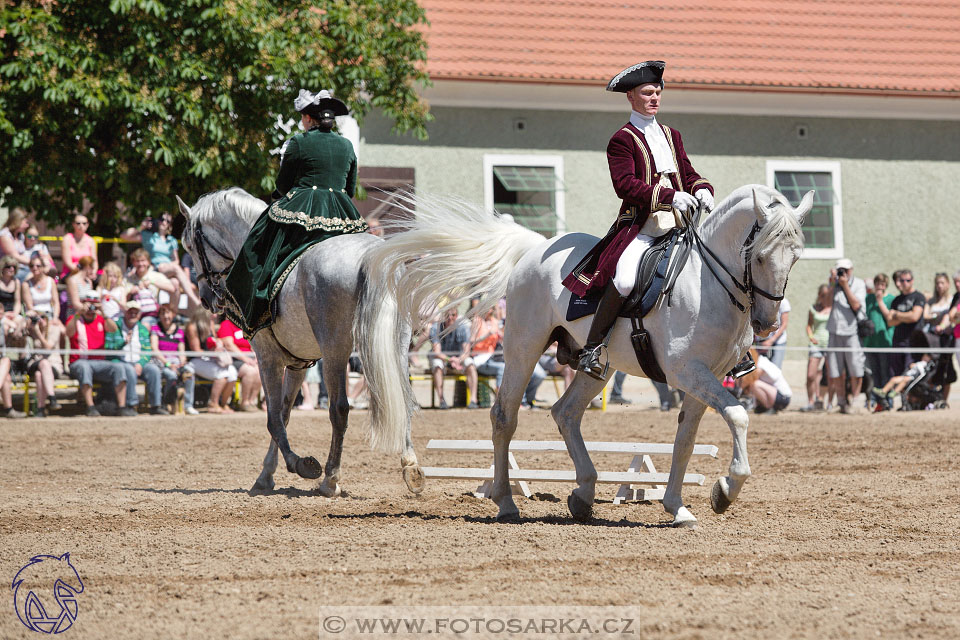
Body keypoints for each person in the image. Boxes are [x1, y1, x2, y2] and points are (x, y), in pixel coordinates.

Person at [561, 61, 714, 379]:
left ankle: (731, 349)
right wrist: (670, 196)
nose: (654, 97)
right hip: (643, 227)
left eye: (658, 92)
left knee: (714, 269)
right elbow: (625, 185)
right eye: (647, 92)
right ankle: (593, 348)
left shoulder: (672, 136)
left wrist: (702, 189)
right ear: (631, 97)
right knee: (627, 277)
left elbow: (687, 173)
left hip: (680, 226)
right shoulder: (622, 140)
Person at [222, 88, 367, 337]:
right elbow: (350, 189)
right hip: (342, 210)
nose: (302, 121)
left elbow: (282, 186)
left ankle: (259, 305)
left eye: (302, 117)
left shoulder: (298, 143)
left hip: (303, 204)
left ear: (309, 119)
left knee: (259, 243)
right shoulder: (346, 146)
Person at [66, 290, 138, 417]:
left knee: (119, 367)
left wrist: (103, 312)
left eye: (94, 304)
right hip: (78, 362)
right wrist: (79, 313)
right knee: (84, 367)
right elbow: (68, 332)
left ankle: (121, 407)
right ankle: (90, 407)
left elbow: (113, 329)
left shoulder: (101, 319)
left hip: (99, 362)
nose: (91, 308)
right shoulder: (75, 319)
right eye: (89, 304)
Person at [121, 213, 201, 310]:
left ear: (170, 225)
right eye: (162, 219)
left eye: (168, 221)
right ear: (157, 221)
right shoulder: (149, 236)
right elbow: (124, 236)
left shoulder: (172, 240)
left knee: (175, 282)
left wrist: (167, 265)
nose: (164, 222)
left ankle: (173, 313)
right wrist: (141, 226)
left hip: (168, 270)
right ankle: (195, 300)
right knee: (175, 270)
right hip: (153, 269)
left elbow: (176, 261)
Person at [825, 258, 867, 414]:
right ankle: (841, 401)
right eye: (840, 270)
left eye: (845, 270)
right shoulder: (834, 285)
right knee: (835, 370)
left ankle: (856, 401)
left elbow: (856, 304)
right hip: (834, 330)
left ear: (851, 270)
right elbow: (827, 304)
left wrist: (845, 286)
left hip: (852, 331)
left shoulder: (859, 284)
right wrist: (831, 284)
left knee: (856, 367)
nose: (843, 273)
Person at [874, 268, 925, 383]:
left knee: (911, 376)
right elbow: (891, 322)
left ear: (912, 281)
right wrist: (906, 316)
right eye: (901, 280)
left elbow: (914, 317)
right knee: (896, 374)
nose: (903, 283)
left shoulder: (918, 297)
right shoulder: (897, 300)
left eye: (907, 280)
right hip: (898, 342)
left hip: (913, 343)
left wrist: (897, 314)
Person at [185, 308, 237, 414]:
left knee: (232, 373)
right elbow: (196, 351)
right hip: (194, 360)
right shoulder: (192, 326)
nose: (215, 315)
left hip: (208, 358)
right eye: (212, 313)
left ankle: (223, 404)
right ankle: (213, 403)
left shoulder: (210, 325)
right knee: (222, 374)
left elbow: (212, 343)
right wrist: (213, 352)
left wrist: (218, 346)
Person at [149, 303, 197, 415]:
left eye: (168, 313)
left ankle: (187, 405)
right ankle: (167, 403)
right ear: (159, 316)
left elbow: (181, 351)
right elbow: (155, 349)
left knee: (189, 374)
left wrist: (182, 362)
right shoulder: (155, 328)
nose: (166, 316)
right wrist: (168, 364)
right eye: (163, 313)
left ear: (173, 315)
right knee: (171, 376)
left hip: (176, 362)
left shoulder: (179, 331)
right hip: (161, 362)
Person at [428, 308, 476, 409]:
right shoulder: (435, 328)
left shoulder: (463, 327)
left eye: (453, 315)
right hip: (442, 358)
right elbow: (437, 352)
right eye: (447, 315)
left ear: (456, 315)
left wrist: (458, 360)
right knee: (437, 365)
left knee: (470, 364)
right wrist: (450, 360)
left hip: (458, 359)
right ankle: (441, 400)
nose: (450, 318)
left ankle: (473, 400)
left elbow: (466, 351)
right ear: (443, 316)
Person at [23, 310, 63, 417]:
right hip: (34, 363)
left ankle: (40, 409)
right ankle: (52, 397)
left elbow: (48, 348)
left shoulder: (54, 329)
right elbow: (18, 337)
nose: (40, 320)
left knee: (39, 375)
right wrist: (26, 322)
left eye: (43, 317)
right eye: (38, 318)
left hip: (53, 365)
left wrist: (39, 334)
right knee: (43, 363)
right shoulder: (31, 329)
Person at [217, 315, 262, 410]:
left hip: (249, 359)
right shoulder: (226, 324)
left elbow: (252, 343)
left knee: (260, 371)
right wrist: (246, 359)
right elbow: (229, 345)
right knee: (250, 372)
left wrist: (256, 356)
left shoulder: (244, 326)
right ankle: (244, 402)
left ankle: (251, 401)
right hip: (234, 359)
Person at [801, 284, 832, 411]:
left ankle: (827, 402)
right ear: (819, 295)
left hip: (830, 344)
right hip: (816, 344)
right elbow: (809, 325)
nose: (825, 298)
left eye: (828, 295)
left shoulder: (834, 309)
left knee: (830, 375)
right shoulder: (813, 309)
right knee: (810, 374)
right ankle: (811, 401)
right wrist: (810, 336)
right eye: (823, 295)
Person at [126, 247, 176, 327]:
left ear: (148, 262)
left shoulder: (155, 275)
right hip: (133, 312)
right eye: (137, 261)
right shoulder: (128, 278)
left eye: (143, 261)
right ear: (133, 263)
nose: (140, 264)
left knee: (145, 324)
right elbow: (122, 297)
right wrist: (130, 292)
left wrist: (152, 282)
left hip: (151, 313)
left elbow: (172, 288)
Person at [863, 274, 896, 391]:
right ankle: (876, 400)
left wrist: (880, 301)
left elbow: (889, 318)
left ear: (886, 286)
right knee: (874, 373)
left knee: (885, 372)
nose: (879, 287)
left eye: (882, 284)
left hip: (885, 341)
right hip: (871, 342)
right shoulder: (868, 298)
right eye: (877, 284)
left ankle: (887, 399)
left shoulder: (891, 299)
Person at [739, 349, 792, 414]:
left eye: (744, 358)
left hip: (783, 397)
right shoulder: (759, 362)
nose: (743, 360)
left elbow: (747, 382)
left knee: (754, 384)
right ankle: (765, 407)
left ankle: (769, 408)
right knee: (754, 385)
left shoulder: (761, 363)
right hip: (776, 395)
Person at [756, 297, 791, 369]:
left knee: (775, 369)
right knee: (760, 368)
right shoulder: (762, 301)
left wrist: (770, 341)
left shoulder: (784, 302)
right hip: (763, 341)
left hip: (778, 341)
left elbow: (784, 324)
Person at [60, 213, 98, 278]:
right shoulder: (67, 239)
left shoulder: (91, 241)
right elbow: (67, 262)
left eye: (84, 223)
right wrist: (81, 273)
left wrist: (93, 272)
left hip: (88, 274)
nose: (81, 225)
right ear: (73, 224)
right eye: (78, 223)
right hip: (71, 273)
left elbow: (94, 262)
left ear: (87, 225)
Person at [0, 207, 31, 278]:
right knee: (31, 276)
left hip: (22, 268)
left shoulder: (20, 236)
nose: (27, 225)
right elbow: (14, 256)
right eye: (25, 222)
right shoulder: (5, 235)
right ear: (17, 221)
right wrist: (32, 262)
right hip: (8, 269)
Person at [64, 255, 96, 322]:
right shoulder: (73, 280)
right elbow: (75, 303)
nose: (93, 271)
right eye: (92, 268)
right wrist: (90, 308)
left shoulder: (89, 282)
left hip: (86, 315)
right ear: (87, 267)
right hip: (75, 316)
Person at [0, 255, 25, 338]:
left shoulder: (16, 282)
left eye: (14, 266)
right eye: (8, 266)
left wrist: (14, 313)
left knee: (22, 323)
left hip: (13, 313)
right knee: (5, 328)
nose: (12, 269)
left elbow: (18, 301)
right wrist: (4, 314)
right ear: (2, 268)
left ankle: (22, 349)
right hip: (1, 314)